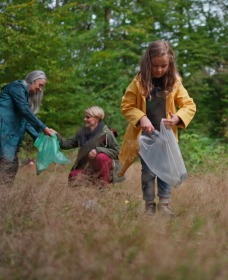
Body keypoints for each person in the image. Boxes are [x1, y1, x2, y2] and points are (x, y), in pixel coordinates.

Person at [118, 40, 196, 216]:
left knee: (166, 169)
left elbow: (189, 105)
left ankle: (165, 205)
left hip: (166, 136)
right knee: (148, 170)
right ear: (148, 62)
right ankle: (149, 206)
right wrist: (141, 118)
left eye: (164, 66)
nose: (160, 70)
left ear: (170, 64)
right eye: (155, 66)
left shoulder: (175, 82)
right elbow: (127, 106)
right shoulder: (138, 82)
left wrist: (178, 117)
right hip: (146, 136)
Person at [0, 70, 56, 186]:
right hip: (0, 127)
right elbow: (24, 110)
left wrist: (41, 137)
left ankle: (1, 193)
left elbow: (25, 121)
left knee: (11, 163)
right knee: (9, 162)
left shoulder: (23, 95)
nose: (40, 89)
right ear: (33, 81)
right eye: (40, 85)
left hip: (8, 130)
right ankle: (1, 193)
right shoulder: (16, 87)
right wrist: (43, 128)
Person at [57, 106, 121, 189]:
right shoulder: (82, 132)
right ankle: (82, 195)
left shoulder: (106, 133)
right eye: (85, 117)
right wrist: (56, 135)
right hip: (88, 169)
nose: (84, 119)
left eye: (88, 117)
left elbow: (116, 151)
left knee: (100, 157)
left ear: (97, 119)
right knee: (73, 175)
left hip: (107, 170)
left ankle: (103, 188)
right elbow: (66, 144)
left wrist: (98, 150)